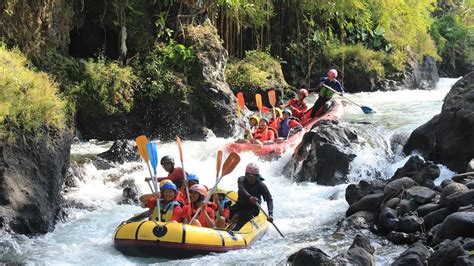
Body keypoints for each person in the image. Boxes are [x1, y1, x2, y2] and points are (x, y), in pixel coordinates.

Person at [229, 163, 273, 231]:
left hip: (253, 209)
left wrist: (270, 214)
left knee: (241, 216)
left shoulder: (261, 185)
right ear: (246, 175)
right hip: (240, 205)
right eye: (248, 176)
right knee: (228, 212)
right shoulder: (241, 180)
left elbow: (269, 199)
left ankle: (235, 231)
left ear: (256, 176)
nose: (250, 179)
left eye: (252, 177)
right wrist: (250, 197)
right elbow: (242, 189)